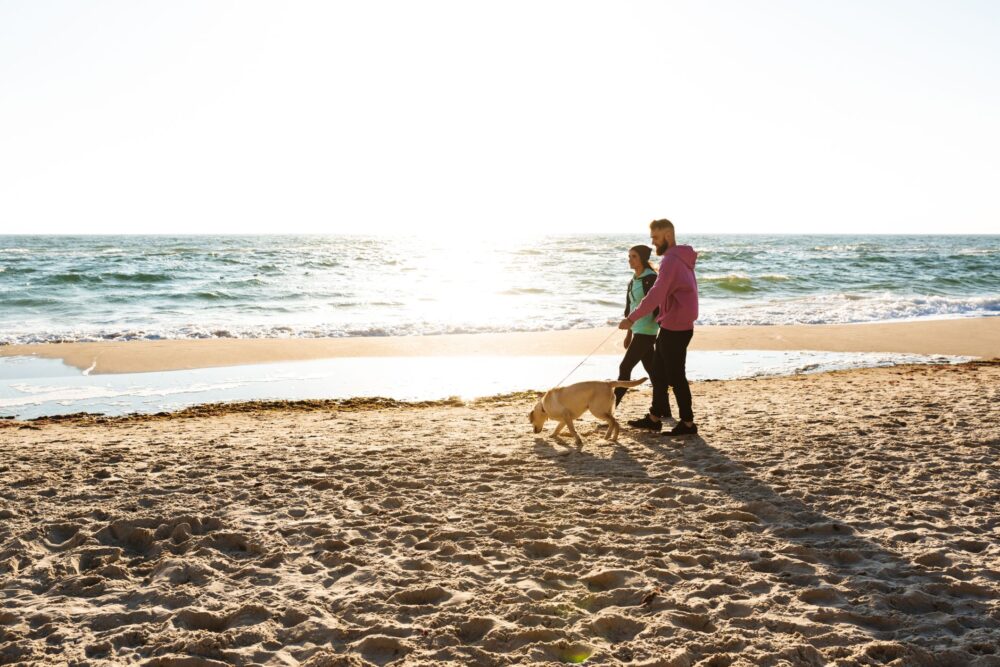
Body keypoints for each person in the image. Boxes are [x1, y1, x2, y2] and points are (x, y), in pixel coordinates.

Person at [618, 218, 699, 436]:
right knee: (659, 373)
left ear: (668, 236)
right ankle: (655, 418)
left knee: (675, 376)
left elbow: (656, 294)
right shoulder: (681, 258)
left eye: (655, 237)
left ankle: (688, 424)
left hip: (676, 326)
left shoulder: (672, 260)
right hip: (675, 323)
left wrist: (632, 319)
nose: (653, 243)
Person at [615, 245, 661, 409]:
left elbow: (656, 306)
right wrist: (628, 335)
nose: (630, 259)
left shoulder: (652, 279)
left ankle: (612, 407)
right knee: (652, 371)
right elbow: (630, 309)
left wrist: (662, 330)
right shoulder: (632, 281)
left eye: (633, 256)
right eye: (629, 256)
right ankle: (664, 408)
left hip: (648, 331)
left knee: (625, 367)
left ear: (642, 258)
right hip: (637, 331)